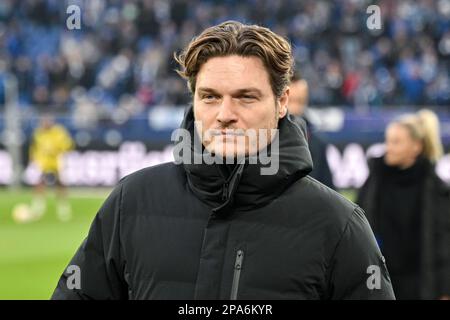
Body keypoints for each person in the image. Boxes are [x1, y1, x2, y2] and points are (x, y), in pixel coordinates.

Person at [52, 21, 394, 300]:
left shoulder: (338, 223)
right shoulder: (132, 201)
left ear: (282, 102)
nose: (225, 114)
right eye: (210, 97)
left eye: (246, 97)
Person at [357, 109, 450, 300]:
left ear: (416, 146)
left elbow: (443, 245)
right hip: (379, 282)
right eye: (388, 140)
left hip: (420, 285)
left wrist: (445, 289)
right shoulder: (375, 180)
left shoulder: (436, 189)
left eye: (396, 142)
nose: (388, 147)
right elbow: (357, 230)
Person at [288, 72, 335, 189]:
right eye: (291, 101)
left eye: (300, 101)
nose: (295, 108)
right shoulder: (265, 140)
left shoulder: (318, 144)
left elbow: (329, 191)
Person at [29, 115, 74, 222]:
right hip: (43, 162)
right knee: (39, 183)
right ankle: (38, 206)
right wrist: (34, 158)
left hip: (57, 162)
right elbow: (35, 147)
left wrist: (55, 149)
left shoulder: (59, 132)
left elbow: (68, 145)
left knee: (61, 184)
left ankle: (63, 207)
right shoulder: (38, 133)